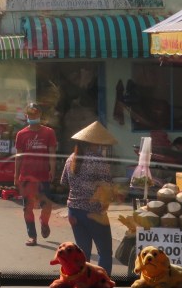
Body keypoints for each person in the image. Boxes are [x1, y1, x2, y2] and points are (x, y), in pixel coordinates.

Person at [60, 121, 117, 274]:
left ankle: (82, 280)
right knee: (105, 251)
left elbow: (64, 182)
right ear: (94, 142)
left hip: (73, 211)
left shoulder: (70, 158)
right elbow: (107, 185)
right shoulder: (98, 159)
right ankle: (103, 281)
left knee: (83, 252)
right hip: (94, 212)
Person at [14, 103, 58, 247]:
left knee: (47, 206)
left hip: (43, 176)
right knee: (28, 208)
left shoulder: (49, 132)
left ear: (40, 115)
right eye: (30, 114)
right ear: (26, 116)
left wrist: (52, 169)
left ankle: (44, 222)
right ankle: (32, 236)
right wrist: (16, 175)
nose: (33, 116)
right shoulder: (21, 134)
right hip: (26, 177)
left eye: (35, 113)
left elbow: (52, 153)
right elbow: (18, 157)